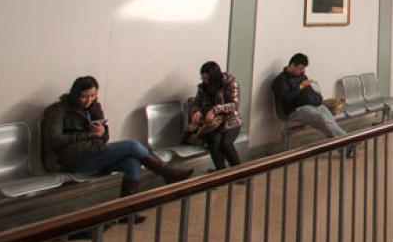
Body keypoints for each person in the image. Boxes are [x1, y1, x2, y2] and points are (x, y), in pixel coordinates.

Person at [41, 76, 192, 203]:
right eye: (84, 97)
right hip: (74, 159)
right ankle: (168, 172)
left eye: (93, 96)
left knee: (132, 163)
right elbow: (54, 139)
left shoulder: (94, 108)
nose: (89, 100)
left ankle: (126, 211)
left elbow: (104, 137)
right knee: (132, 145)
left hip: (94, 152)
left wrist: (102, 132)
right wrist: (89, 135)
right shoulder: (59, 110)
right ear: (75, 95)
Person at [271, 53, 347, 139]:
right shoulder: (280, 81)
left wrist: (318, 98)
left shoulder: (301, 76)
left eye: (303, 69)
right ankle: (347, 141)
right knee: (323, 119)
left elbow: (310, 92)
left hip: (314, 105)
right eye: (300, 68)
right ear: (292, 65)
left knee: (330, 121)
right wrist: (301, 86)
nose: (302, 71)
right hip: (297, 109)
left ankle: (345, 145)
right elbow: (287, 98)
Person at [190, 61, 242, 170]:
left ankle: (239, 173)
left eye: (207, 79)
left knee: (226, 144)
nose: (205, 81)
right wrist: (196, 111)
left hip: (231, 121)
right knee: (214, 143)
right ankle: (221, 174)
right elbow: (196, 104)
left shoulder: (230, 82)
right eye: (203, 78)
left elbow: (234, 105)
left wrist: (215, 110)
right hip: (212, 124)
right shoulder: (202, 87)